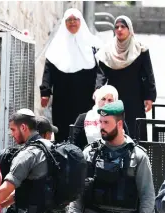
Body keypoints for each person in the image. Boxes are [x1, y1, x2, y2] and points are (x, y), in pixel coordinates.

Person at [69, 101, 155, 213]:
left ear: (120, 124)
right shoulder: (90, 153)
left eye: (106, 123)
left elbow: (147, 193)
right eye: (101, 122)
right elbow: (77, 192)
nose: (102, 127)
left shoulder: (138, 156)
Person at [40, 8, 102, 143]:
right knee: (62, 130)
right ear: (64, 23)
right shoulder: (57, 46)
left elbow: (100, 70)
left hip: (85, 97)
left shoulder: (93, 46)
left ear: (81, 22)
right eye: (69, 20)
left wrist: (99, 88)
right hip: (63, 97)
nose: (72, 22)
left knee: (85, 129)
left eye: (75, 19)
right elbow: (48, 69)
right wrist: (45, 91)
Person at [95, 15, 156, 141]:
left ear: (130, 29)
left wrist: (149, 96)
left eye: (123, 26)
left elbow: (147, 74)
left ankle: (138, 157)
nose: (119, 29)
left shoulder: (140, 49)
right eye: (116, 27)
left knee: (136, 131)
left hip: (135, 98)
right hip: (114, 98)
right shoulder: (107, 51)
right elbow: (101, 73)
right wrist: (98, 90)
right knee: (116, 128)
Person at [71, 85, 119, 149]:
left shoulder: (118, 119)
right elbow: (72, 146)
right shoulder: (83, 118)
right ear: (98, 99)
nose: (106, 103)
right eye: (103, 99)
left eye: (110, 100)